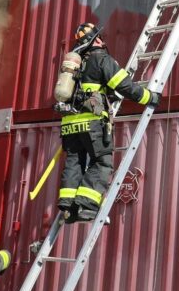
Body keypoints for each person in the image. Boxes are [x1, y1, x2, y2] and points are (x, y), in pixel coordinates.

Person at [55, 22, 160, 222]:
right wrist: (149, 97)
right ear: (97, 40)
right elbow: (124, 85)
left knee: (74, 162)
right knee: (101, 162)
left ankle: (68, 206)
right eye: (100, 37)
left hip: (69, 123)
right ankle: (86, 206)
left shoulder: (75, 65)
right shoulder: (101, 59)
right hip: (92, 122)